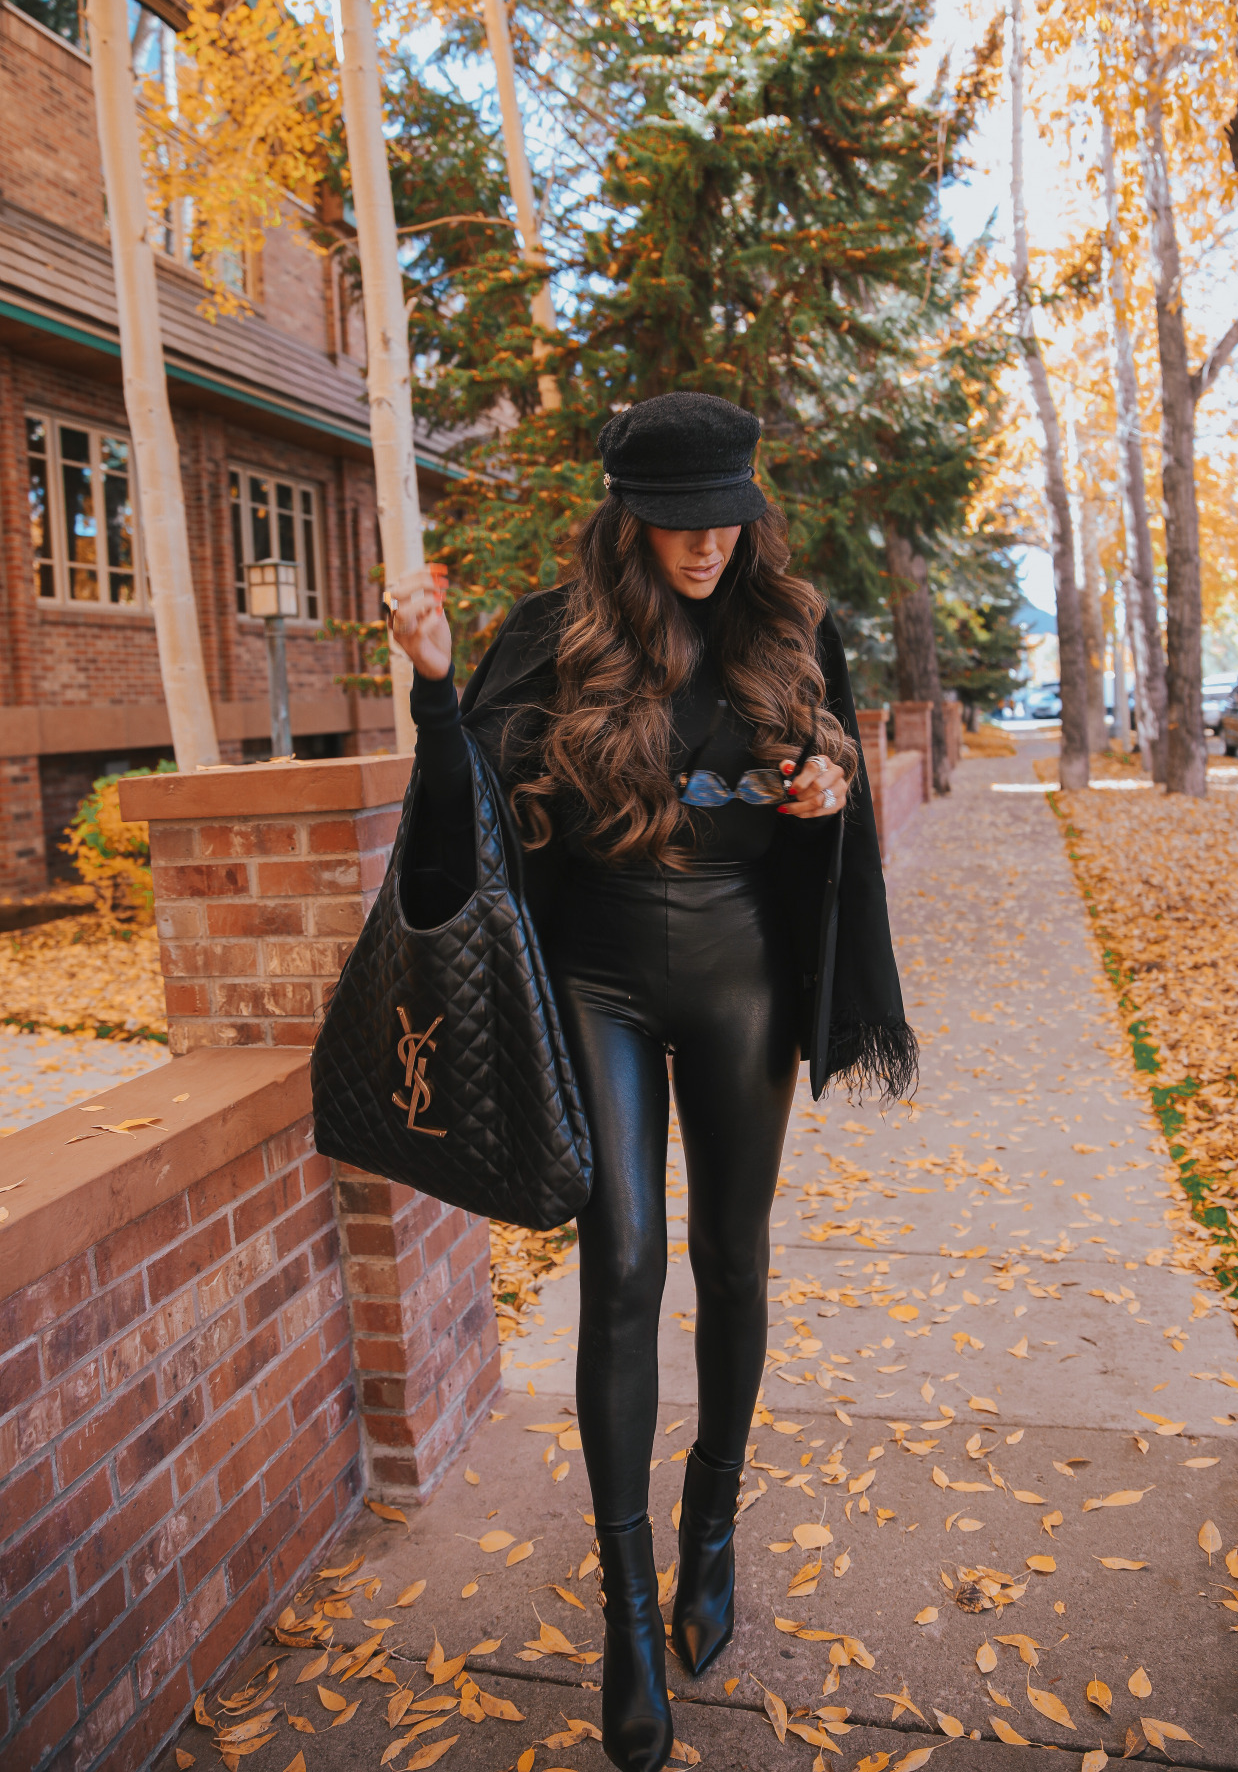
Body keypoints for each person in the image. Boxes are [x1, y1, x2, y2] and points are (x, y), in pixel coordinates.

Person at [386, 392, 914, 1772]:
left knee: (731, 1263)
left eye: (725, 515)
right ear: (628, 515)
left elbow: (834, 766)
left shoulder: (790, 622)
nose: (704, 543)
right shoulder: (552, 633)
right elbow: (472, 825)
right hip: (597, 976)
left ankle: (711, 1530)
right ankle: (626, 1609)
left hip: (741, 973)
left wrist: (831, 785)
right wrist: (436, 683)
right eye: (678, 520)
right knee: (621, 1263)